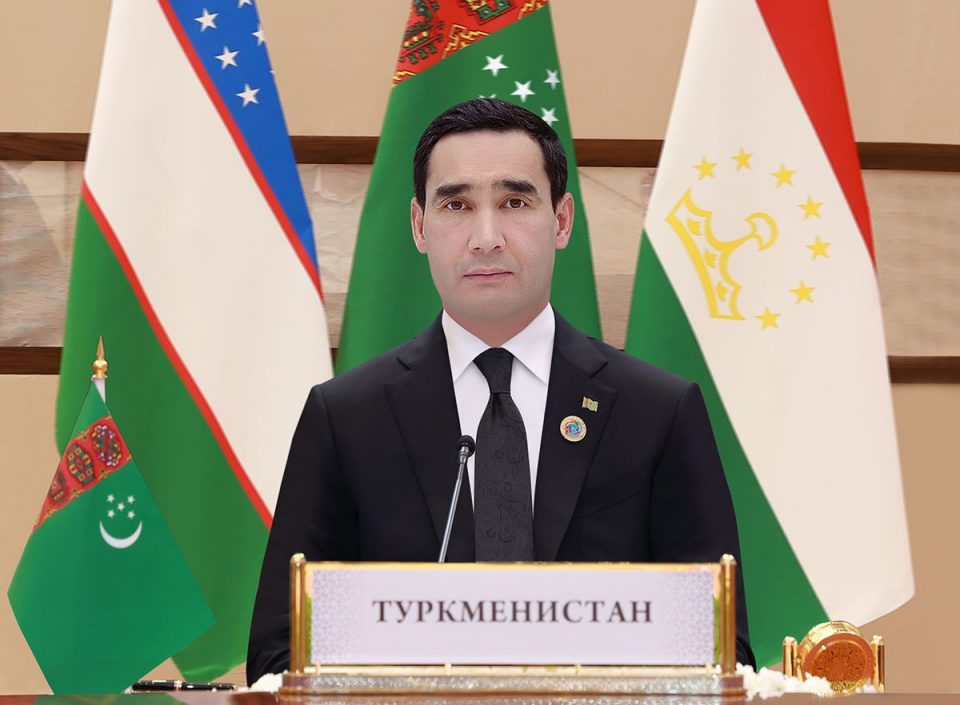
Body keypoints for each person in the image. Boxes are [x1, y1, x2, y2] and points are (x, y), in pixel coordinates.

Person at [246, 98, 754, 682]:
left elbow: (721, 650)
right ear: (419, 226)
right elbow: (280, 654)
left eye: (515, 202)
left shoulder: (657, 411)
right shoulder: (346, 417)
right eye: (456, 205)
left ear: (561, 221)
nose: (486, 238)